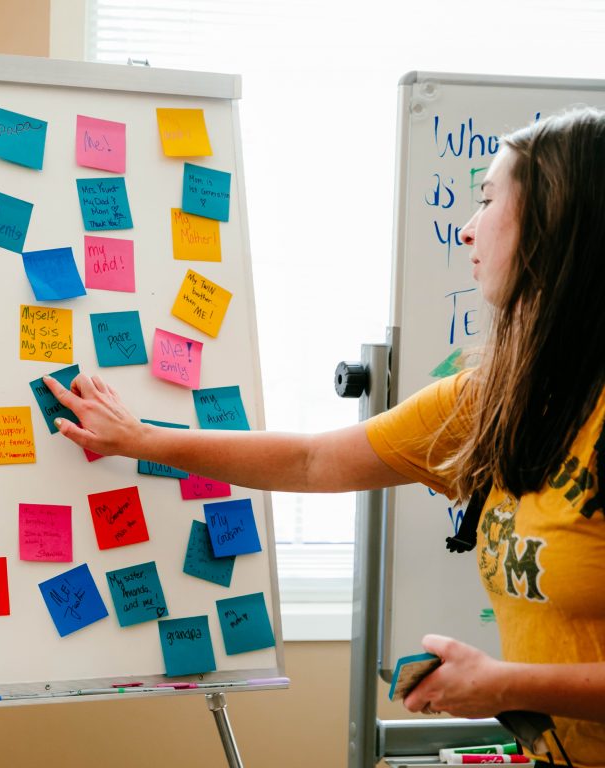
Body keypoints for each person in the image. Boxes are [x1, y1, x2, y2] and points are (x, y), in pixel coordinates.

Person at [43, 107, 605, 766]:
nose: (466, 227)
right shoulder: (492, 402)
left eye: (487, 200)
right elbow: (313, 461)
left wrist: (503, 683)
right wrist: (140, 438)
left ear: (555, 227)